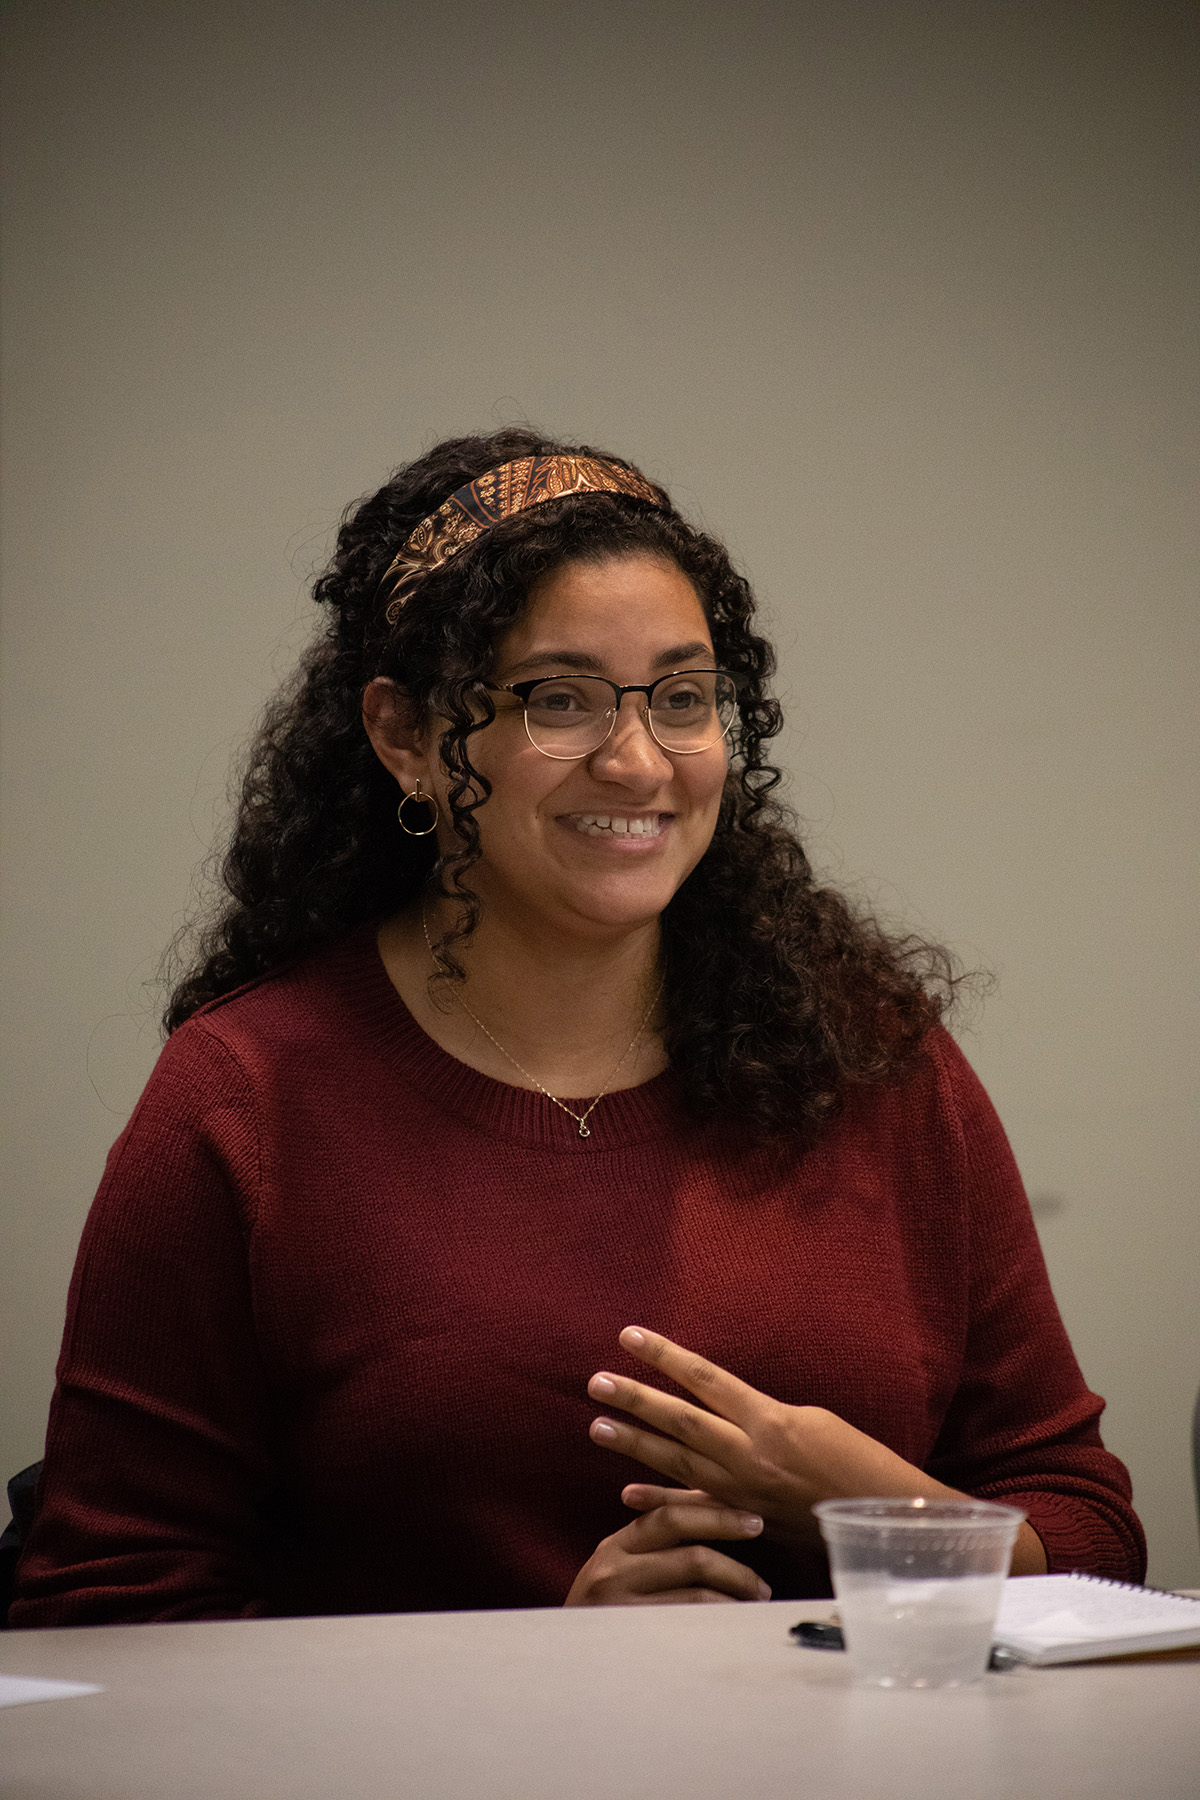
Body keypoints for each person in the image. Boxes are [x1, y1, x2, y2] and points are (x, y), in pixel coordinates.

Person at [12, 430, 1145, 1625]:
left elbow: (1090, 1525)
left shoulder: (872, 1054)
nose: (637, 759)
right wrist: (538, 1679)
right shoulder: (243, 1100)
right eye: (559, 699)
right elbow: (108, 1615)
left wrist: (880, 1512)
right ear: (407, 738)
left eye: (684, 697)